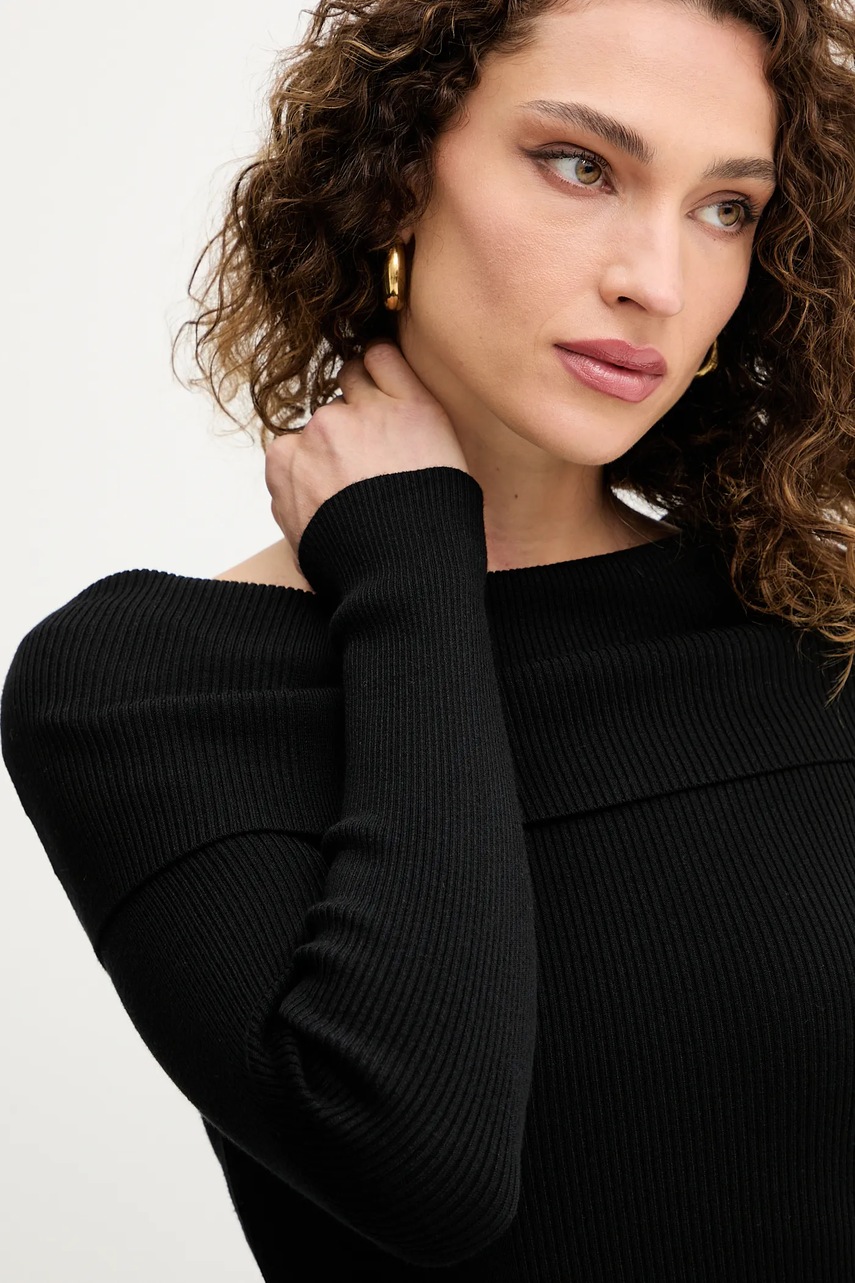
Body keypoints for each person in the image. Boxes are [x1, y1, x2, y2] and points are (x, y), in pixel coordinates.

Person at [3, 0, 855, 1277]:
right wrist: (410, 566)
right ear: (395, 171)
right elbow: (419, 1163)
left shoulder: (812, 633)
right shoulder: (148, 688)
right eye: (580, 165)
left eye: (726, 207)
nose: (658, 280)